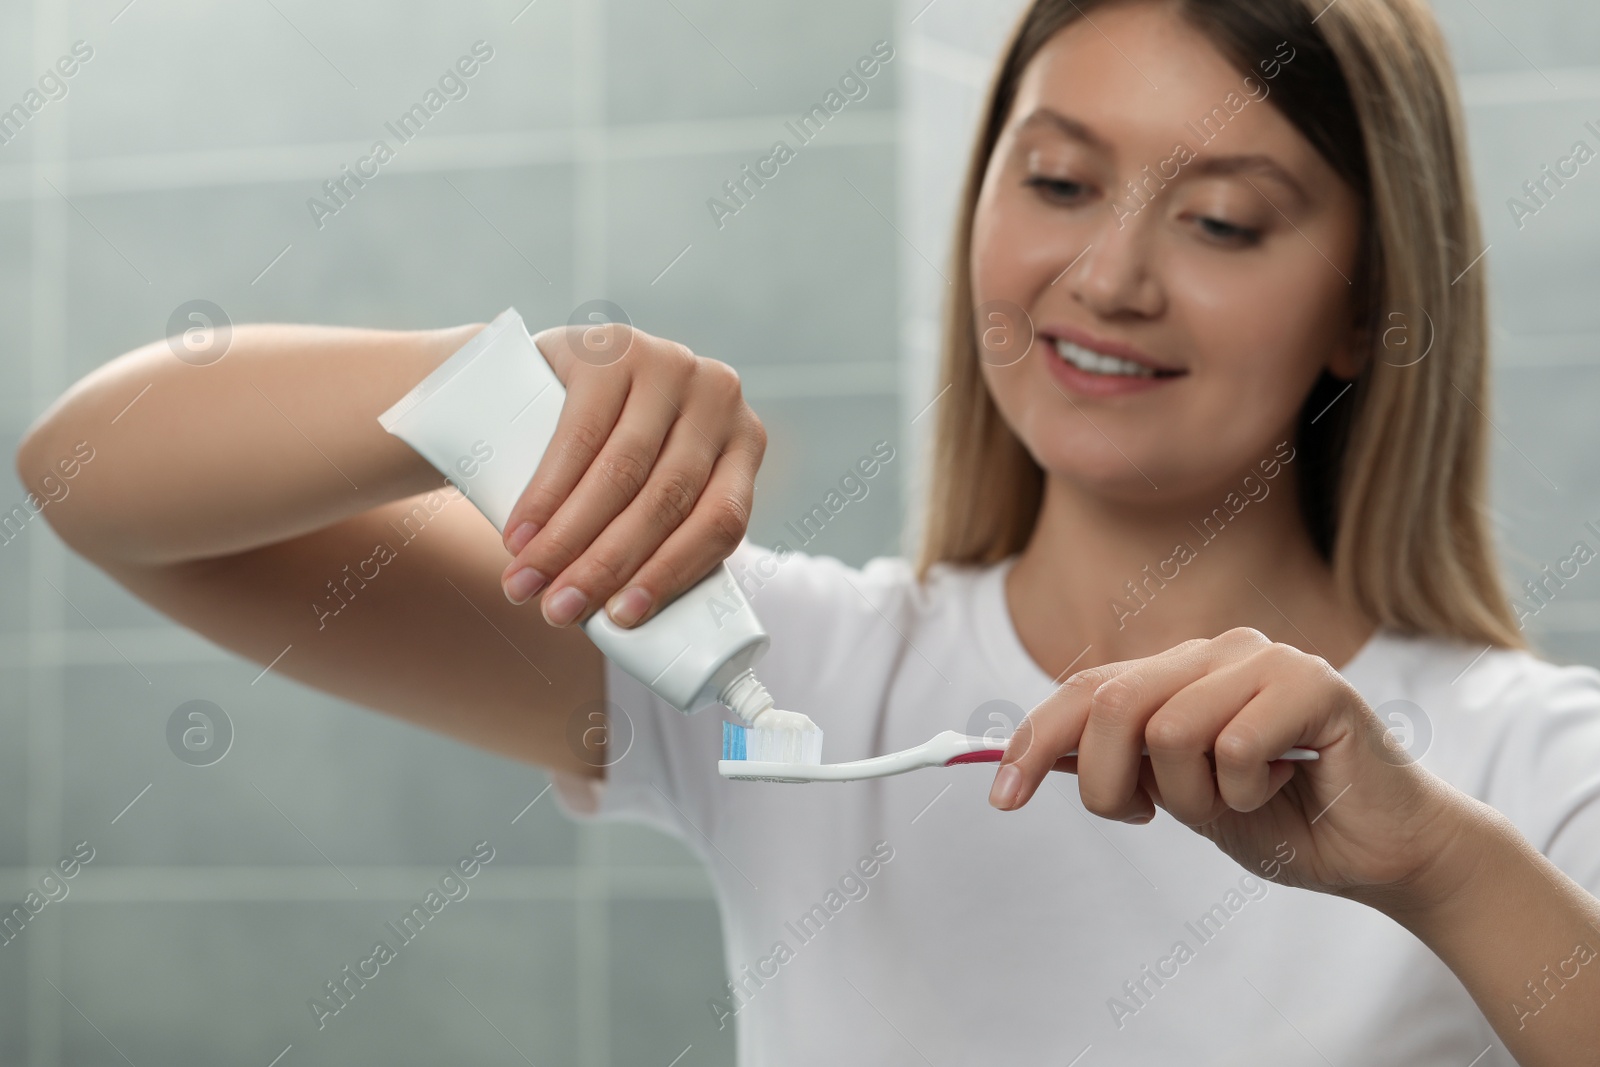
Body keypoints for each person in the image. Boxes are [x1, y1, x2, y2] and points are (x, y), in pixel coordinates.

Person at [17, 0, 1600, 1062]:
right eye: (1056, 181)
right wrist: (483, 387)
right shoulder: (780, 673)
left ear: (1368, 307)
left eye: (1222, 220)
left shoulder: (1528, 772)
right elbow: (93, 477)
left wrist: (1441, 875)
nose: (1108, 277)